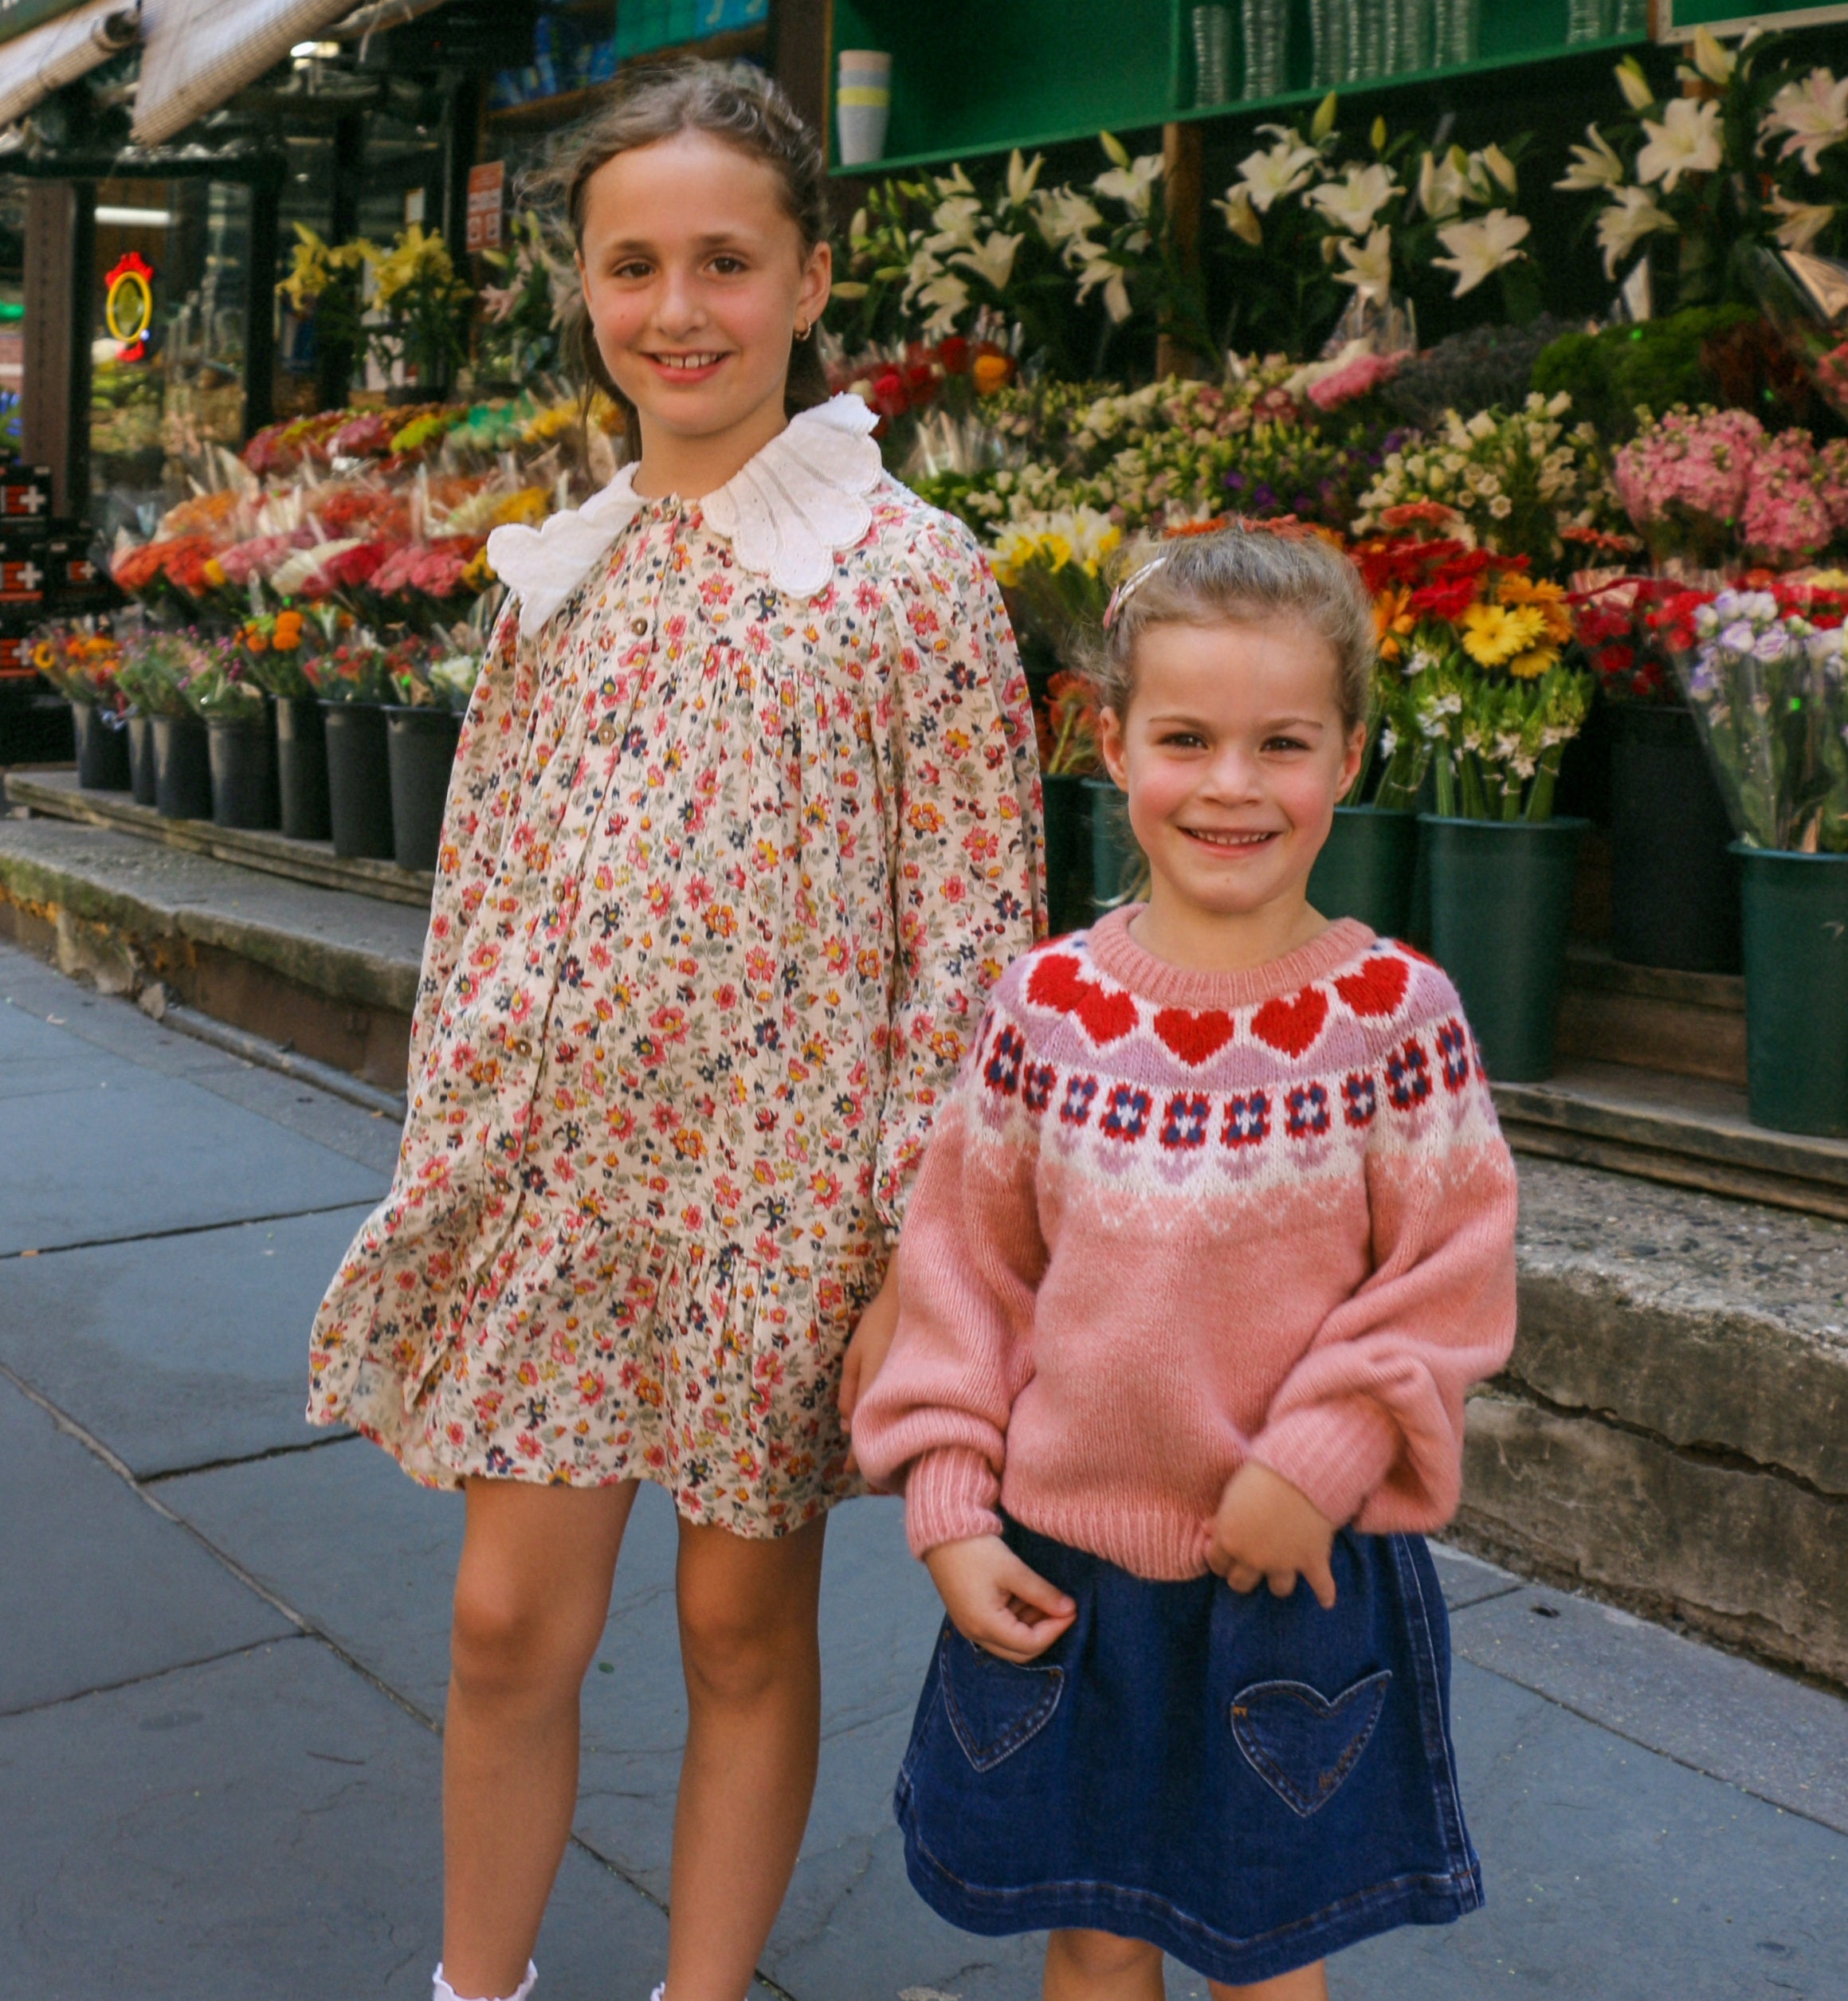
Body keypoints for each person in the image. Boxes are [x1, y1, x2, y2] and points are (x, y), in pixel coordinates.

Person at [304, 59, 1044, 2001]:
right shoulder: (560, 573)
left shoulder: (910, 578)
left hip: (783, 1206)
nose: (677, 309)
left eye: (725, 260)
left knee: (736, 1622)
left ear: (808, 279)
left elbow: (972, 947)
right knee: (498, 1622)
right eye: (632, 265)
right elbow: (479, 898)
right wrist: (450, 1158)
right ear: (585, 286)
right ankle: (478, 1987)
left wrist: (914, 1252)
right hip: (556, 1188)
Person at [850, 524, 1520, 2001]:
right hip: (1068, 1578)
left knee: (1268, 1952)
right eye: (1186, 739)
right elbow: (965, 1271)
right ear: (1110, 742)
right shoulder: (1046, 1010)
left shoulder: (1396, 1021)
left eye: (1282, 743)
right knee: (1092, 1935)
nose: (1231, 784)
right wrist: (953, 1504)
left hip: (1293, 1573)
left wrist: (1324, 1452)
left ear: (1348, 755)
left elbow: (1451, 1276)